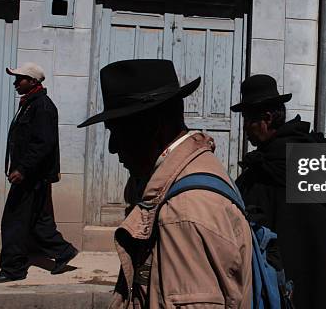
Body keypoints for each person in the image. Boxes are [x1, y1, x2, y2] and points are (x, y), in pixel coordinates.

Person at [78, 59, 252, 308]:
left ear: (155, 127)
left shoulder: (182, 213)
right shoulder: (195, 173)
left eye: (118, 131)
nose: (113, 147)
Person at [230, 74, 326, 309]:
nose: (245, 128)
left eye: (248, 119)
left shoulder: (266, 168)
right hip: (316, 278)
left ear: (267, 118)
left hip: (285, 287)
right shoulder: (314, 155)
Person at [0, 62, 77, 283]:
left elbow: (42, 144)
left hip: (31, 177)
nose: (16, 83)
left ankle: (13, 269)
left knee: (14, 221)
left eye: (20, 79)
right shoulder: (29, 104)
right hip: (32, 175)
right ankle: (63, 251)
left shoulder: (42, 106)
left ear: (33, 81)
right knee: (38, 221)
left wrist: (22, 169)